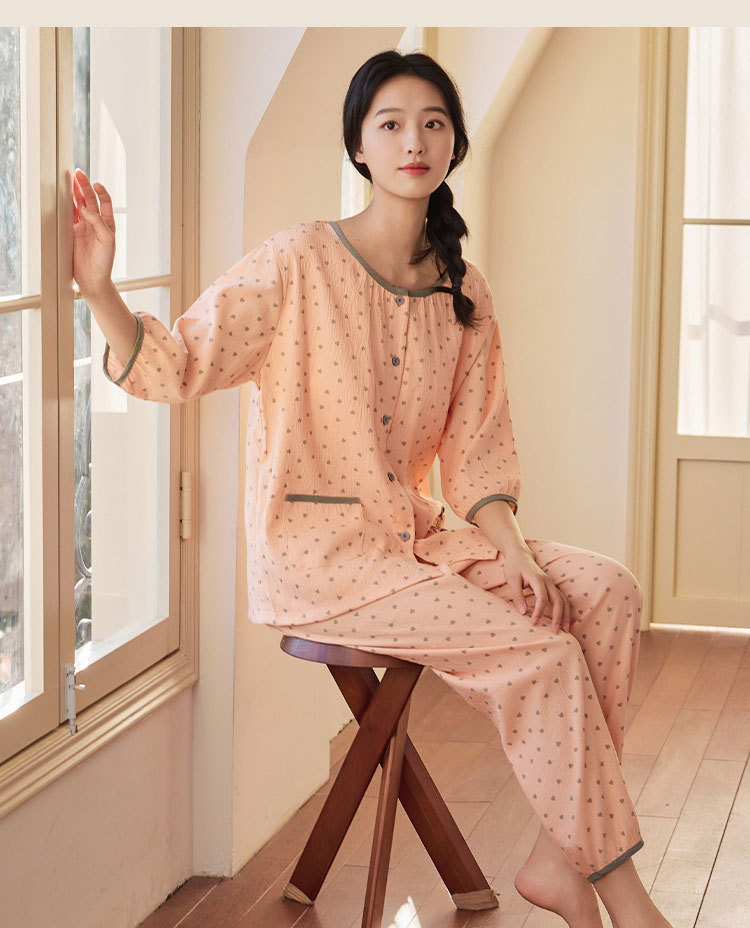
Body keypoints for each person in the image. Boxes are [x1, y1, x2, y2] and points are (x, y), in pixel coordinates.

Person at [71, 48, 673, 928]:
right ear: (358, 145)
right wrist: (99, 291)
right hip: (320, 561)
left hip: (417, 540)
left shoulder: (465, 292)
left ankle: (558, 858)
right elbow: (182, 363)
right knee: (541, 652)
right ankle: (624, 898)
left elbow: (479, 453)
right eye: (390, 124)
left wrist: (510, 549)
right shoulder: (296, 263)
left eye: (432, 123)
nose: (412, 142)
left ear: (455, 143)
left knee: (606, 590)